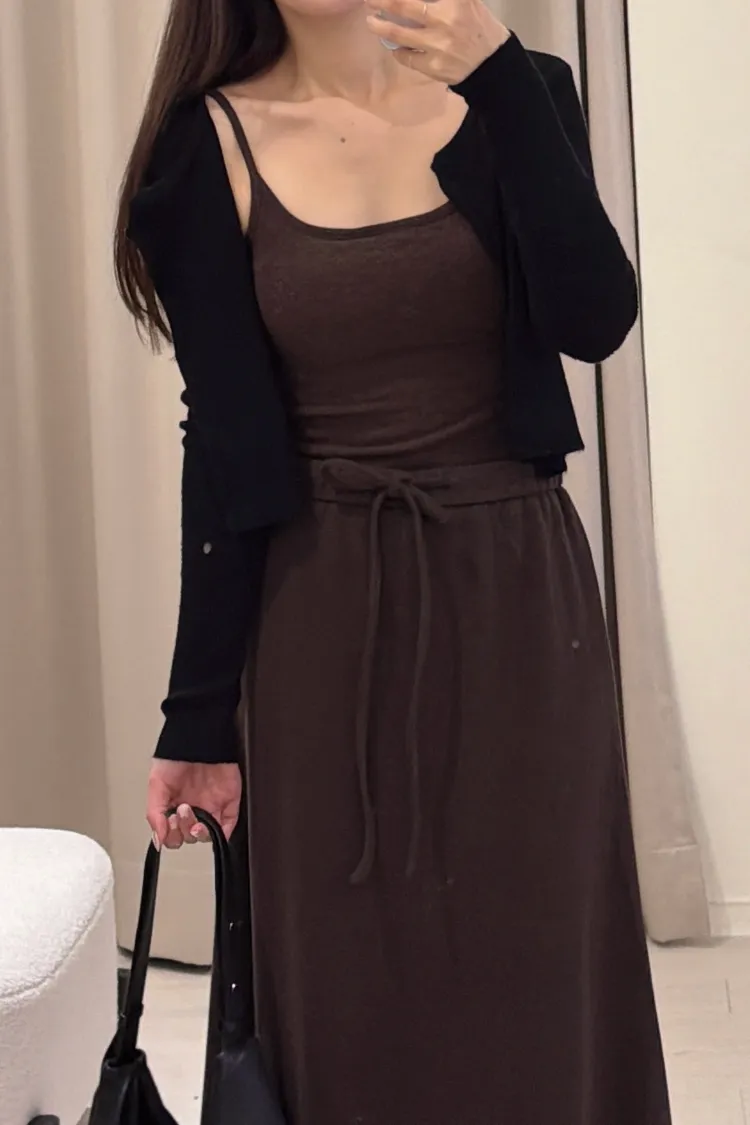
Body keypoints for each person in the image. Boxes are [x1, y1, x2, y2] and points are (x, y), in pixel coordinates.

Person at [116, 0, 672, 1120]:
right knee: (353, 983)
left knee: (537, 963)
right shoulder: (204, 144)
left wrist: (498, 79)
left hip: (521, 601)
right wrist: (197, 719)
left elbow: (596, 318)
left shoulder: (520, 92)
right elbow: (222, 444)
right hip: (322, 614)